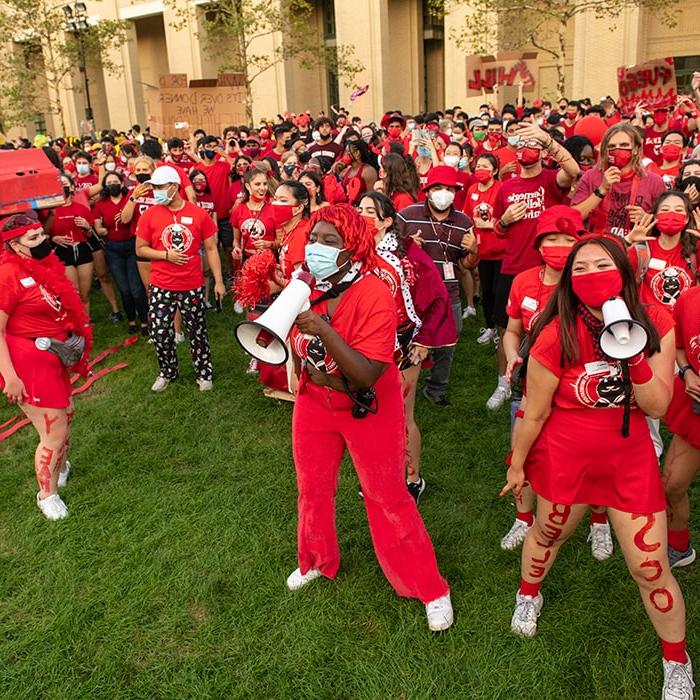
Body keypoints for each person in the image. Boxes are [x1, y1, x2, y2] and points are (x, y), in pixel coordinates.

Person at [501, 235, 693, 700]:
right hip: (567, 455)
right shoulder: (556, 330)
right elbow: (535, 409)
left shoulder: (656, 321)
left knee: (649, 567)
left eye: (601, 265)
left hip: (628, 458)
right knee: (549, 532)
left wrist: (635, 357)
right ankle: (530, 592)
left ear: (625, 272)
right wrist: (517, 464)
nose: (589, 275)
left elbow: (658, 405)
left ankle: (677, 660)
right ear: (568, 279)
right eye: (579, 268)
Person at [286, 204, 453, 632]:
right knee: (313, 489)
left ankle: (429, 588)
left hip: (368, 408)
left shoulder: (375, 293)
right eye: (314, 238)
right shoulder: (304, 287)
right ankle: (317, 561)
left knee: (387, 496)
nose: (317, 248)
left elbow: (366, 374)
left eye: (330, 241)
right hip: (315, 403)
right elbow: (293, 344)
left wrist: (323, 331)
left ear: (353, 250)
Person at [358, 192, 456, 504]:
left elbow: (437, 295)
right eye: (359, 209)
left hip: (402, 344)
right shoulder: (352, 252)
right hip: (361, 345)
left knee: (401, 416)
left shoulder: (407, 254)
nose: (362, 215)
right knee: (369, 415)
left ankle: (412, 479)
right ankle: (380, 475)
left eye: (369, 211)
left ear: (387, 220)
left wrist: (425, 340)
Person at [0, 215, 92, 520]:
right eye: (33, 238)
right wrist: (10, 377)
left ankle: (60, 466)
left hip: (52, 355)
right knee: (53, 430)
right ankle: (47, 494)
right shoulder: (8, 275)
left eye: (42, 233)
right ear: (14, 245)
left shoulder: (42, 265)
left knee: (66, 415)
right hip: (26, 363)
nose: (42, 240)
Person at [492, 122, 579, 356]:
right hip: (512, 267)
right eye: (523, 143)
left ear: (542, 152)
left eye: (533, 144)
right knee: (508, 329)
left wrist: (548, 141)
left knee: (551, 327)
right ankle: (505, 382)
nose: (527, 148)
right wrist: (504, 221)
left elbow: (574, 171)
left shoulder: (551, 180)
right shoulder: (506, 188)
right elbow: (497, 229)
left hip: (549, 267)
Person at [135, 166, 225, 392]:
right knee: (159, 332)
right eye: (153, 187)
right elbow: (140, 249)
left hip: (191, 284)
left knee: (197, 331)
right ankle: (168, 371)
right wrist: (166, 255)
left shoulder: (198, 214)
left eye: (159, 187)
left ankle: (204, 373)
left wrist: (219, 281)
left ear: (174, 188)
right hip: (160, 284)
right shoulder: (150, 214)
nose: (155, 191)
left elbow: (212, 248)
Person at [396, 165, 477, 405]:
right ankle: (404, 384)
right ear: (428, 190)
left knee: (448, 342)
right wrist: (408, 246)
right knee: (409, 340)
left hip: (448, 293)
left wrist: (474, 250)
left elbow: (466, 265)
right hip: (413, 294)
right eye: (439, 188)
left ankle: (436, 388)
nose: (444, 193)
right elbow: (390, 250)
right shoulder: (407, 215)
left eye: (449, 189)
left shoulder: (463, 221)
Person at [464, 153, 509, 406]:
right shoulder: (471, 189)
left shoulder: (501, 190)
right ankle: (491, 328)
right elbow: (470, 218)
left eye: (485, 166)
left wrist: (489, 224)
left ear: (494, 170)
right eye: (478, 166)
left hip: (500, 250)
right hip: (482, 250)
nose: (480, 169)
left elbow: (503, 221)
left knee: (497, 291)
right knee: (487, 293)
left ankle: (499, 332)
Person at [572, 124, 665, 238]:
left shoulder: (654, 182)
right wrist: (601, 190)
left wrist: (646, 218)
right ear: (606, 151)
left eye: (624, 145)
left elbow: (664, 227)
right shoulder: (591, 176)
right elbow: (573, 217)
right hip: (597, 246)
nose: (618, 150)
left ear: (636, 149)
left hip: (636, 248)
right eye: (612, 146)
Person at [663, 284, 700, 569]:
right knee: (672, 485)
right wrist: (687, 373)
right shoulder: (689, 298)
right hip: (695, 410)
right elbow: (678, 345)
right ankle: (679, 546)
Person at [93, 171, 148, 335]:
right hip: (113, 248)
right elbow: (98, 227)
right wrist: (104, 230)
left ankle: (145, 321)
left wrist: (125, 215)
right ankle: (132, 320)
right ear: (105, 186)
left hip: (131, 245)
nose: (112, 184)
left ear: (122, 183)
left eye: (115, 181)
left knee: (136, 288)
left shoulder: (129, 198)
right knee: (124, 289)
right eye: (109, 182)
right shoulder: (101, 204)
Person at [627, 191, 698, 311]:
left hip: (684, 324)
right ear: (655, 217)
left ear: (686, 219)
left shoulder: (695, 248)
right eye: (665, 210)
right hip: (650, 324)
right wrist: (627, 240)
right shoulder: (641, 250)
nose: (671, 214)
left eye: (679, 210)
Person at [44, 173, 95, 313]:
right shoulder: (51, 211)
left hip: (82, 249)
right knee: (74, 292)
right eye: (59, 185)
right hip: (63, 251)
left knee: (85, 293)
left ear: (72, 187)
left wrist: (87, 226)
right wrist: (53, 238)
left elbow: (89, 234)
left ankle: (86, 324)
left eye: (65, 185)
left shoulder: (82, 208)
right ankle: (76, 326)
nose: (62, 188)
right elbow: (43, 233)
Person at [231, 167, 276, 262]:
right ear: (248, 186)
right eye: (257, 184)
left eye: (265, 184)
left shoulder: (273, 209)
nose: (262, 188)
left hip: (267, 261)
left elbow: (281, 242)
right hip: (246, 261)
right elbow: (236, 239)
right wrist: (237, 249)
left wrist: (269, 244)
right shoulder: (238, 210)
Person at [335, 139, 378, 204]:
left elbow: (372, 196)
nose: (345, 154)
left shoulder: (368, 171)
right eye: (345, 151)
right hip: (347, 209)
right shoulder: (346, 171)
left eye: (347, 151)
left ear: (357, 153)